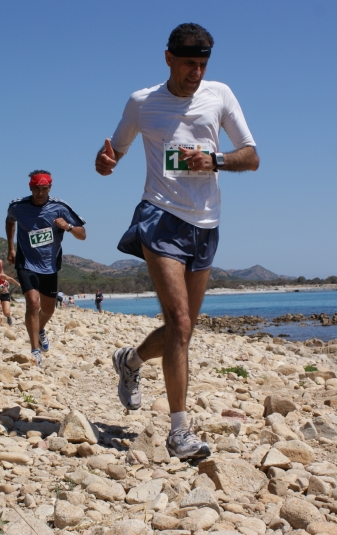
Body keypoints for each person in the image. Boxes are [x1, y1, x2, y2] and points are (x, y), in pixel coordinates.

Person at [95, 23, 259, 460]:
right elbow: (116, 151)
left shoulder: (219, 94)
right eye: (189, 63)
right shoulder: (143, 103)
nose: (196, 72)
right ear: (168, 57)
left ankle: (130, 360)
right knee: (181, 323)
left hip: (206, 223)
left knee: (178, 330)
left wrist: (216, 159)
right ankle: (179, 432)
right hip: (160, 217)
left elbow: (252, 155)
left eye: (203, 63)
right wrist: (105, 162)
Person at [6, 170, 87, 367]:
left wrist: (67, 226)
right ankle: (35, 351)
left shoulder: (60, 207)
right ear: (30, 188)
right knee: (33, 303)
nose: (40, 193)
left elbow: (82, 234)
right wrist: (10, 247)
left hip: (50, 265)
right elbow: (10, 221)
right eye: (36, 189)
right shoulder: (18, 206)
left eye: (44, 189)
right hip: (26, 262)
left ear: (50, 188)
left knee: (48, 310)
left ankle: (40, 329)